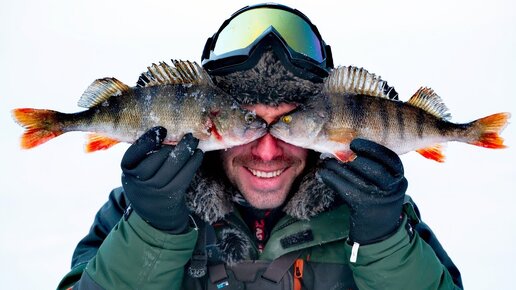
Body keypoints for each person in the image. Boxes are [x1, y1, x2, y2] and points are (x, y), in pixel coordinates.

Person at [58, 3, 463, 289]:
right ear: (211, 121)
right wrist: (151, 233)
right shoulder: (136, 208)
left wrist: (384, 242)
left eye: (284, 125)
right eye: (252, 125)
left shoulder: (382, 212)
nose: (267, 151)